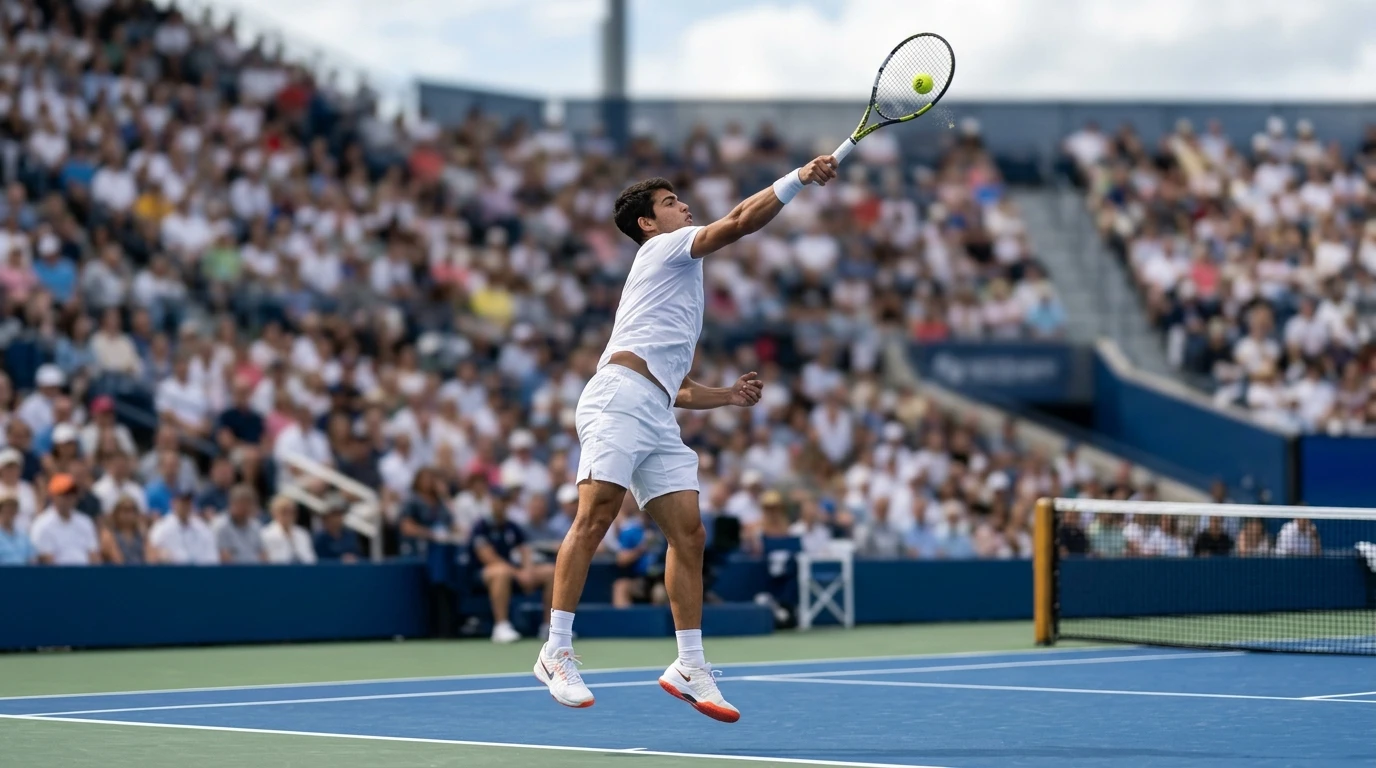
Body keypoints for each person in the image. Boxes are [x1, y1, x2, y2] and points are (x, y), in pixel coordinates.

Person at [536, 154, 838, 719]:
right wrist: (799, 178)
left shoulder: (678, 275)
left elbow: (672, 385)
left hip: (654, 407)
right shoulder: (662, 248)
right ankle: (555, 650)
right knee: (597, 512)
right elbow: (742, 220)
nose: (684, 206)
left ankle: (689, 664)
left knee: (690, 535)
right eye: (671, 202)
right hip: (618, 398)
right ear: (647, 224)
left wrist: (725, 396)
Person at [472, 487, 553, 643]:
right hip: (483, 574)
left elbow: (525, 551)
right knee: (501, 572)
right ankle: (501, 626)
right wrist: (518, 574)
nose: (500, 504)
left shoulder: (512, 527)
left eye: (504, 501)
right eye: (497, 501)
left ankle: (548, 627)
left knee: (550, 571)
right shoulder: (481, 526)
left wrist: (528, 571)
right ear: (491, 502)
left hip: (513, 572)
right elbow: (488, 557)